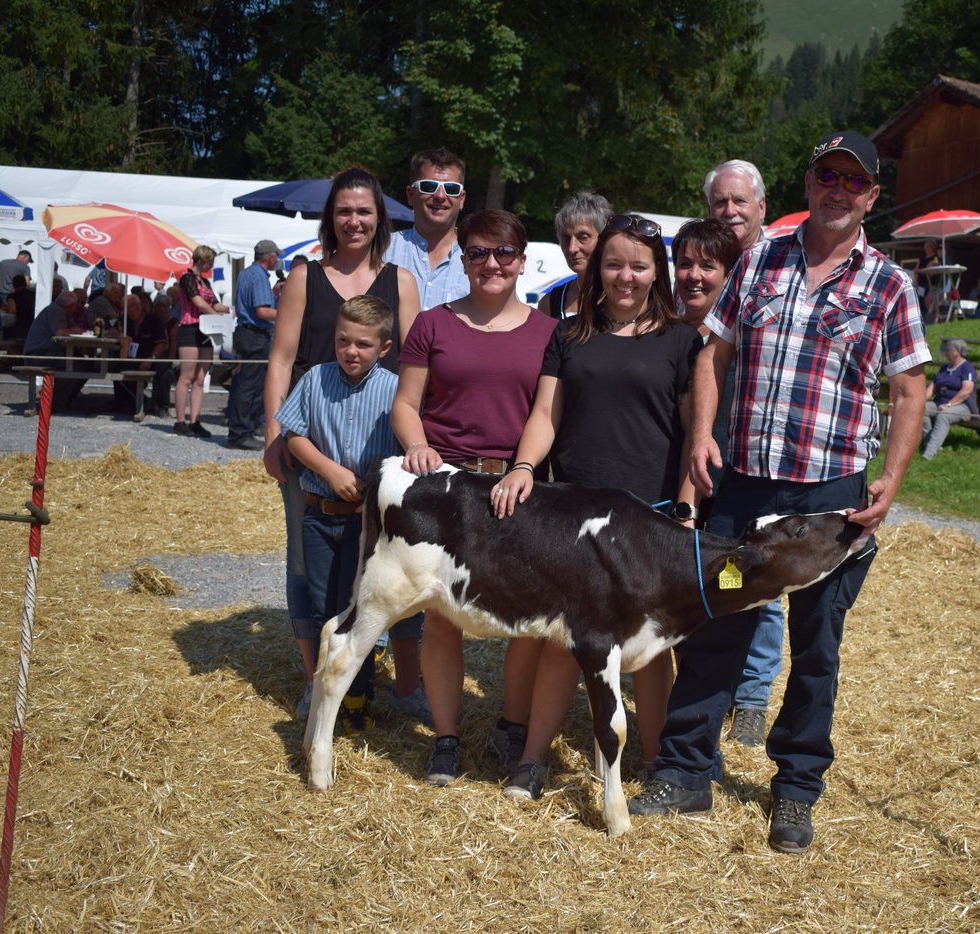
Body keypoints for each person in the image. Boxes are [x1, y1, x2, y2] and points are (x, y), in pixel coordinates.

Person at [630, 130, 930, 855]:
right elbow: (714, 354)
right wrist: (702, 435)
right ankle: (685, 771)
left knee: (815, 646)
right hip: (742, 498)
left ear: (871, 197)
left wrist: (891, 479)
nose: (838, 188)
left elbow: (910, 384)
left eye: (853, 181)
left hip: (828, 507)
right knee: (718, 619)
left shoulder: (890, 284)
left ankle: (794, 791)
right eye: (828, 174)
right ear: (809, 182)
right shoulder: (761, 260)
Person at [491, 212, 703, 801]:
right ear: (597, 268)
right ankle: (533, 761)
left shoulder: (683, 339)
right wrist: (524, 467)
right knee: (567, 637)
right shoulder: (569, 334)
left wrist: (685, 506)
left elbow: (693, 434)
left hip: (651, 515)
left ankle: (659, 765)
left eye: (638, 265)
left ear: (655, 271)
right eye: (614, 264)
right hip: (574, 512)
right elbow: (545, 416)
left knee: (652, 646)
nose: (625, 276)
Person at [391, 209, 558, 786]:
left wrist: (523, 468)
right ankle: (445, 737)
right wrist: (416, 446)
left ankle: (511, 726)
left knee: (528, 620)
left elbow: (546, 413)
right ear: (462, 258)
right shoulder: (432, 325)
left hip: (520, 486)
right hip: (447, 488)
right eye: (479, 253)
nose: (492, 264)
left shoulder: (547, 331)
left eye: (504, 253)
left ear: (523, 259)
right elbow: (406, 403)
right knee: (442, 616)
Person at [264, 165, 422, 722]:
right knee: (307, 567)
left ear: (379, 218)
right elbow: (282, 358)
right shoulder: (305, 276)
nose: (353, 220)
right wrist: (273, 436)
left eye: (364, 211)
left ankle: (404, 685)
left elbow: (415, 365)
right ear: (330, 217)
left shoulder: (401, 280)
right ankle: (318, 682)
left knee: (392, 568)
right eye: (344, 211)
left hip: (382, 446)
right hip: (311, 435)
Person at [674, 217, 780, 748]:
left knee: (751, 589)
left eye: (707, 267)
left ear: (731, 274)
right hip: (681, 484)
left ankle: (753, 698)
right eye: (685, 264)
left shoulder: (745, 337)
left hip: (733, 485)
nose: (694, 276)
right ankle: (692, 701)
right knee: (696, 593)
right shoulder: (666, 330)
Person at [274, 295, 401, 732]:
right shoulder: (313, 380)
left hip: (367, 523)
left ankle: (358, 694)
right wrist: (328, 469)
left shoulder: (394, 391)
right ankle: (324, 685)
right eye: (343, 340)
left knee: (358, 608)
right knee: (322, 602)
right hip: (318, 514)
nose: (351, 351)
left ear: (383, 348)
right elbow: (293, 434)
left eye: (363, 344)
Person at [384, 147, 471, 310]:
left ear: (462, 199)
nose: (440, 196)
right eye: (428, 186)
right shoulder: (382, 250)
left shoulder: (481, 258)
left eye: (451, 189)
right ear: (410, 195)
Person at [227, 239, 281, 450]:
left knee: (246, 384)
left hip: (246, 332)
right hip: (255, 335)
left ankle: (242, 430)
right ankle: (240, 433)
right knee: (250, 386)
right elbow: (262, 312)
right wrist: (290, 313)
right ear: (271, 258)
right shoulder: (259, 277)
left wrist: (274, 294)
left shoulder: (246, 273)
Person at [172, 246, 230, 437]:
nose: (211, 266)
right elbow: (198, 303)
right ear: (201, 260)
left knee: (200, 378)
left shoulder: (205, 281)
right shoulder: (187, 278)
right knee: (186, 376)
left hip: (206, 329)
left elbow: (213, 303)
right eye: (210, 262)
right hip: (189, 328)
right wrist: (216, 316)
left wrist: (229, 308)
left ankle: (194, 420)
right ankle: (180, 420)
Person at [537, 190, 612, 319]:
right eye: (566, 238)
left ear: (604, 238)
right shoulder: (550, 303)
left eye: (583, 237)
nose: (572, 248)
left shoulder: (624, 297)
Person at [113, 293, 172, 418]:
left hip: (153, 355)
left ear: (140, 306)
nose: (132, 310)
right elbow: (110, 332)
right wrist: (118, 335)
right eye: (128, 307)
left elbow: (162, 343)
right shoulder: (123, 321)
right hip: (133, 357)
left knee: (164, 369)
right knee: (117, 366)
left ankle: (162, 406)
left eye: (134, 306)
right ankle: (127, 402)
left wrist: (151, 359)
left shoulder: (154, 320)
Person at [921, 338, 978, 459]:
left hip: (962, 406)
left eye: (948, 350)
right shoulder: (944, 368)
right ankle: (930, 444)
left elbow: (966, 391)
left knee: (943, 416)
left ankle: (928, 454)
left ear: (957, 352)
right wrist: (920, 401)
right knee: (921, 409)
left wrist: (949, 405)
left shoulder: (967, 368)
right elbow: (933, 387)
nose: (945, 352)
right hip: (939, 403)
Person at [704, 159, 767, 250]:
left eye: (739, 201)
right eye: (721, 202)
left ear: (761, 208)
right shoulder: (695, 261)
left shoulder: (781, 262)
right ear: (709, 211)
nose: (730, 211)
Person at [915, 239, 942, 322]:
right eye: (925, 247)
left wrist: (920, 270)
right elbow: (916, 269)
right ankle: (922, 317)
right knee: (920, 299)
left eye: (927, 247)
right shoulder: (921, 258)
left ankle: (930, 317)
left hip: (930, 282)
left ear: (931, 247)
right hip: (920, 283)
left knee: (927, 300)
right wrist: (916, 281)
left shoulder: (935, 258)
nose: (926, 249)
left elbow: (928, 269)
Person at [4, 274, 36, 339]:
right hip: (33, 326)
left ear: (13, 285)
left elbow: (12, 311)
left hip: (20, 327)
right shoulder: (34, 294)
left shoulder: (12, 296)